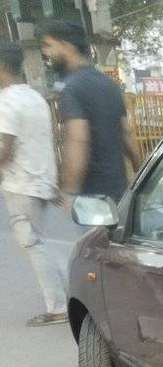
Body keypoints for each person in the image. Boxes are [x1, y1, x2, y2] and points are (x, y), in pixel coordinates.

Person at [40, 21, 141, 204]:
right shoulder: (109, 84)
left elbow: (78, 141)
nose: (45, 52)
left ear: (67, 46)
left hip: (90, 198)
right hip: (118, 191)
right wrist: (141, 178)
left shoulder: (71, 87)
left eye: (49, 45)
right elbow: (127, 135)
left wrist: (69, 192)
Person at [0, 42, 64, 326]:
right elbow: (50, 139)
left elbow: (5, 150)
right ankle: (65, 298)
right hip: (41, 181)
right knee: (40, 242)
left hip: (21, 183)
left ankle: (59, 307)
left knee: (33, 243)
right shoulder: (36, 98)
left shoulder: (6, 101)